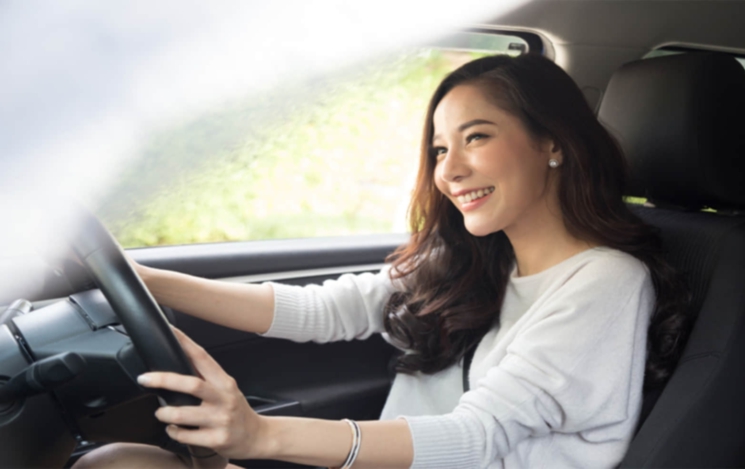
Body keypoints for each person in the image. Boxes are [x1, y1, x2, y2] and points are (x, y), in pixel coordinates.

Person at [73, 53, 691, 469]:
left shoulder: (606, 281)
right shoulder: (476, 256)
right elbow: (321, 310)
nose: (449, 171)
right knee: (115, 462)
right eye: (440, 149)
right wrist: (141, 281)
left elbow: (478, 436)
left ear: (551, 142)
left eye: (476, 137)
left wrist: (262, 435)